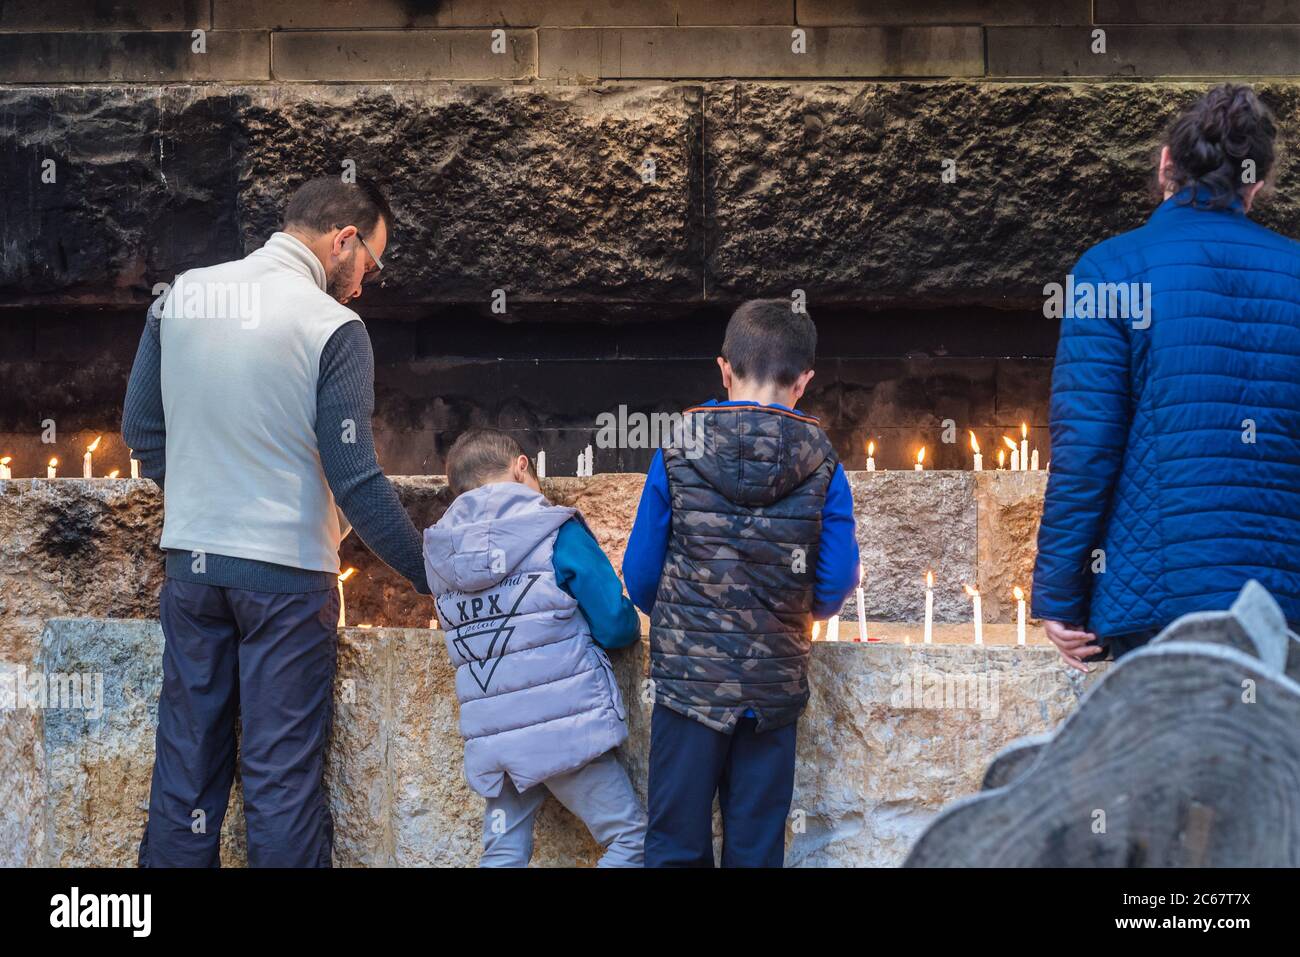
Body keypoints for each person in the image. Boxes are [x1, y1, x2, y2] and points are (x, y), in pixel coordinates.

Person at [123, 176, 430, 866]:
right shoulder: (333, 327)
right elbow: (355, 477)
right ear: (343, 240)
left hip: (193, 572)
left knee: (185, 776)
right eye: (370, 266)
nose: (362, 288)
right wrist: (432, 570)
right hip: (288, 583)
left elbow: (142, 431)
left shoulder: (181, 297)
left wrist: (205, 493)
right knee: (280, 782)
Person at [1033, 83, 1300, 673]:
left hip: (1155, 599)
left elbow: (1087, 445)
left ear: (1166, 166)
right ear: (1256, 184)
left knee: (1166, 766)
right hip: (1283, 609)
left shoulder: (1111, 268)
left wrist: (1058, 593)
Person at [622, 299, 860, 867]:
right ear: (804, 381)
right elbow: (835, 579)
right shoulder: (822, 459)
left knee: (675, 842)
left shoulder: (679, 444)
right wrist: (807, 612)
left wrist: (681, 617)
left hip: (688, 689)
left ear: (724, 369)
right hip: (772, 690)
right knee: (756, 847)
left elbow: (641, 572)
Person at [423, 429, 646, 867]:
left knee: (504, 850)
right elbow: (617, 624)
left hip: (495, 740)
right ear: (521, 465)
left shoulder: (438, 553)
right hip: (562, 729)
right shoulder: (553, 529)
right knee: (632, 839)